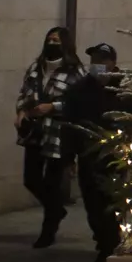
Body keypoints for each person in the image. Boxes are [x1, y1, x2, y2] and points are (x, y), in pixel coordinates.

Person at [15, 26, 84, 249]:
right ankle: (56, 210)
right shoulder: (36, 67)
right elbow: (24, 93)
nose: (52, 43)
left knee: (53, 184)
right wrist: (21, 112)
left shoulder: (75, 72)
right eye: (49, 39)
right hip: (35, 131)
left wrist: (52, 107)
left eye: (56, 40)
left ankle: (48, 230)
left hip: (58, 133)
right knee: (31, 179)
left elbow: (78, 103)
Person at [64, 42, 129, 262]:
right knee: (94, 206)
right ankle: (105, 249)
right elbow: (69, 125)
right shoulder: (78, 91)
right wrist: (68, 158)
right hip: (89, 157)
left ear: (113, 63)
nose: (98, 65)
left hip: (118, 157)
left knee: (115, 205)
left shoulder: (125, 90)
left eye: (103, 61)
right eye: (94, 61)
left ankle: (116, 248)